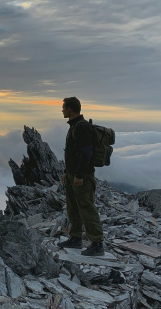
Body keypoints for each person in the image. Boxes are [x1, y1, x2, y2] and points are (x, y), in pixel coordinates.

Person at [57, 97, 104, 256]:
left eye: (64, 107)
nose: (62, 110)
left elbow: (86, 153)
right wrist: (66, 171)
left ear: (70, 109)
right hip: (72, 174)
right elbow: (72, 153)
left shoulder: (82, 127)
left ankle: (97, 243)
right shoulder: (74, 126)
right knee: (73, 207)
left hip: (81, 176)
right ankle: (75, 238)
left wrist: (79, 175)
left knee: (86, 207)